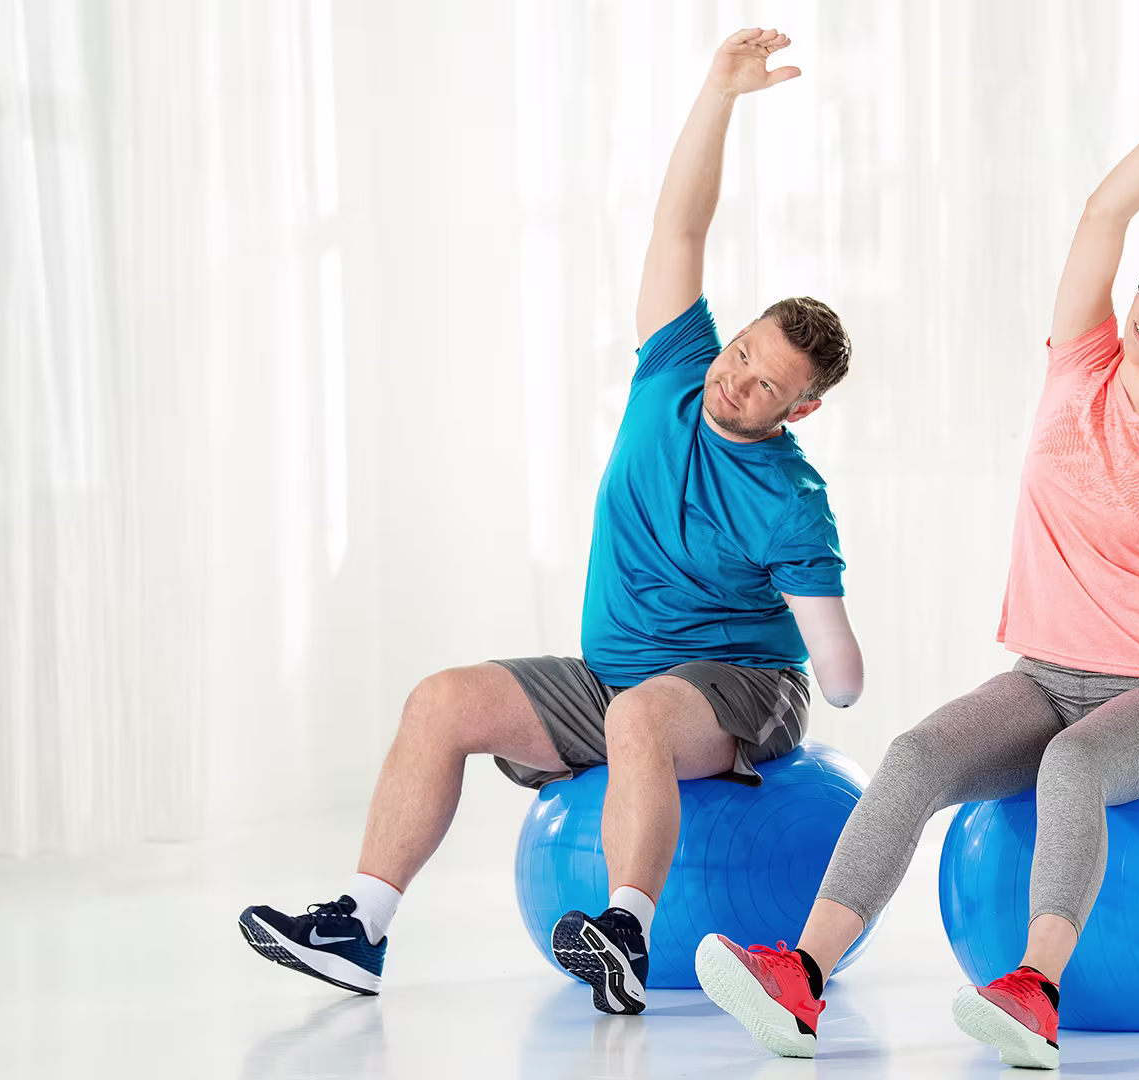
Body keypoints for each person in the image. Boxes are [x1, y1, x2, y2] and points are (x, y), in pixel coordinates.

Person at [695, 60, 1139, 1067]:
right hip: (1042, 675)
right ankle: (799, 977)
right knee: (914, 758)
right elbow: (1104, 210)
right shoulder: (1083, 359)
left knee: (1071, 769)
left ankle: (1032, 991)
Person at [238, 27, 865, 1019]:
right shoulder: (671, 370)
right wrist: (719, 94)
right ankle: (359, 927)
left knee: (639, 717)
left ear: (803, 410)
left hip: (744, 694)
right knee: (440, 700)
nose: (735, 380)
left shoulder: (791, 498)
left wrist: (827, 642)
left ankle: (622, 930)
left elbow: (841, 679)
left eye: (765, 385)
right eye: (741, 352)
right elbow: (678, 230)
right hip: (619, 679)